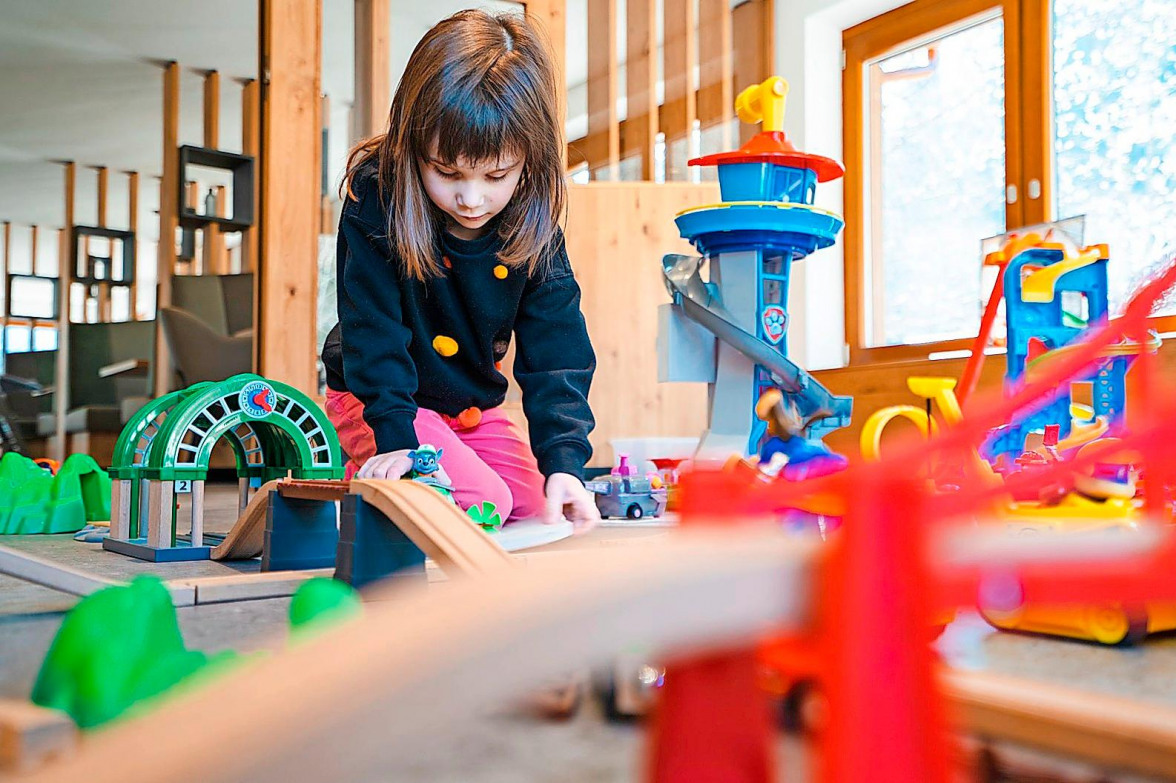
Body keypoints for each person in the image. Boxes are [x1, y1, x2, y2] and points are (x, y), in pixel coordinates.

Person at [321, 9, 600, 531]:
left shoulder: (532, 221)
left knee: (537, 507)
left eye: (497, 175)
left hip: (467, 407)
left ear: (528, 161)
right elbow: (371, 327)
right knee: (483, 502)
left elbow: (557, 348)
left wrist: (565, 464)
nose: (471, 199)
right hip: (380, 401)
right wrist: (396, 442)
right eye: (446, 172)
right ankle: (363, 468)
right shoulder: (377, 197)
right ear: (412, 149)